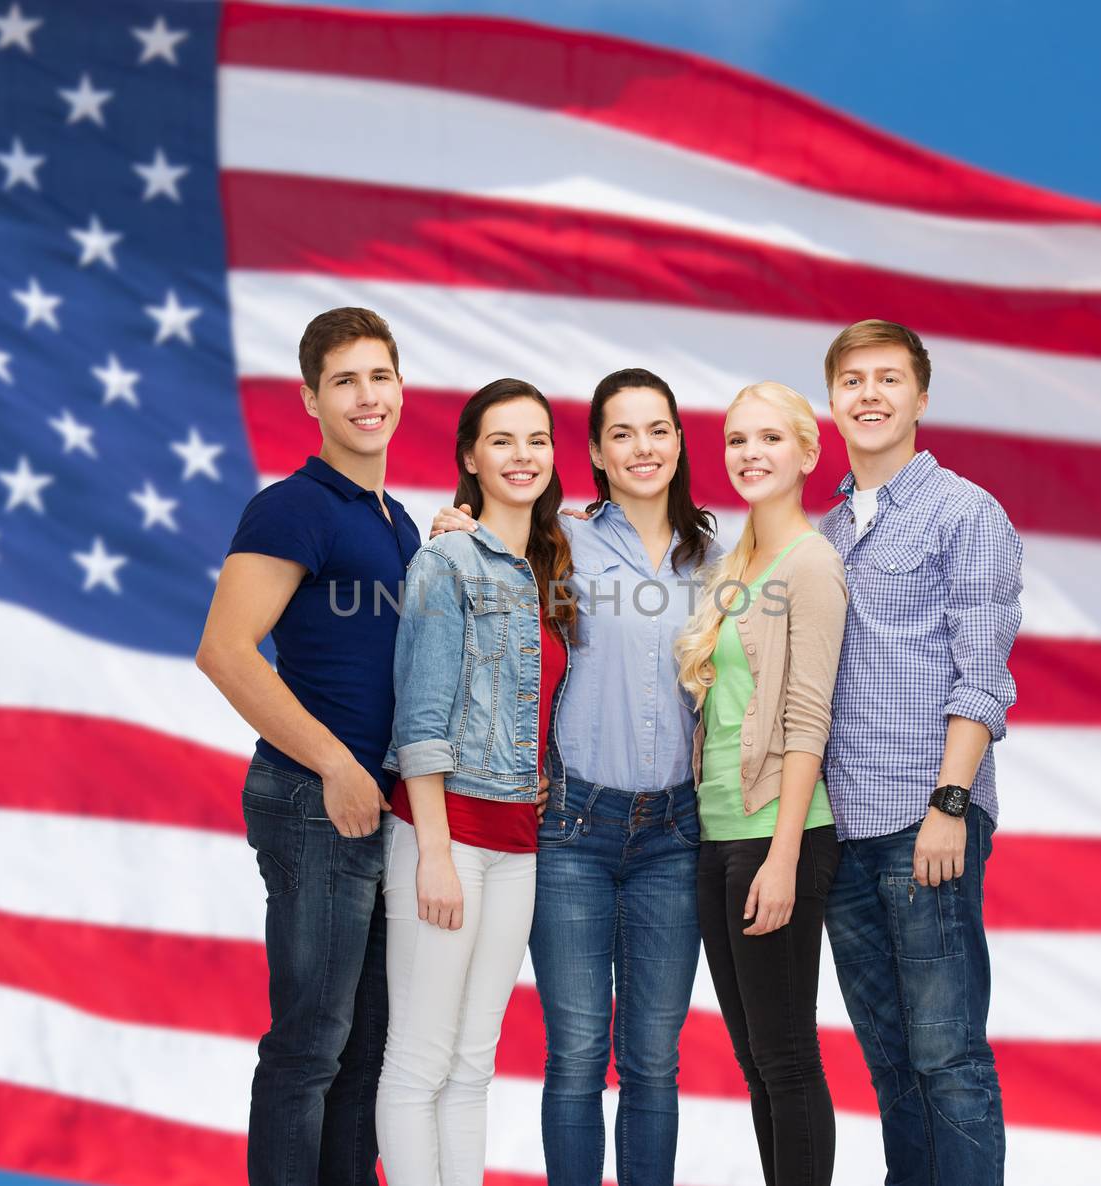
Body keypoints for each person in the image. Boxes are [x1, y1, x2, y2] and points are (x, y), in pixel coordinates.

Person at [434, 367, 719, 1186]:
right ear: (593, 450)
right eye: (621, 432)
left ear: (676, 441)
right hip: (572, 832)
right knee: (578, 1055)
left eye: (657, 429)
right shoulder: (554, 539)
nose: (642, 448)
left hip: (676, 832)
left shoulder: (718, 560)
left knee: (654, 1061)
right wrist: (449, 523)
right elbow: (474, 551)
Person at [195, 308, 418, 1186]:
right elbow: (224, 650)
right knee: (309, 1049)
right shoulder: (293, 507)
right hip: (313, 799)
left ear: (400, 387)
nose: (367, 397)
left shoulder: (397, 520)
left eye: (379, 377)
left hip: (375, 807)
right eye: (345, 381)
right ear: (312, 400)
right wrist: (334, 764)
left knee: (366, 1050)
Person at [817, 319, 1022, 1186]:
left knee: (949, 1060)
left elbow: (983, 676)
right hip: (842, 829)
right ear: (832, 401)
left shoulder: (966, 513)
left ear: (921, 398)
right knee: (892, 1065)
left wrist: (949, 806)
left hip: (925, 819)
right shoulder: (820, 534)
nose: (870, 395)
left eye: (888, 379)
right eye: (853, 381)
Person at [375, 378, 575, 1186]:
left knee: (471, 1062)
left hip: (518, 845)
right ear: (470, 458)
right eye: (502, 440)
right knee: (419, 1058)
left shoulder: (547, 571)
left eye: (536, 439)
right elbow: (420, 719)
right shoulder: (445, 561)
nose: (522, 456)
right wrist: (432, 852)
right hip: (446, 835)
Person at [676, 381, 848, 1186]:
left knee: (785, 1057)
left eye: (771, 439)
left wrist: (782, 858)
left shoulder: (812, 565)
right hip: (716, 838)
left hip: (778, 836)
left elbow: (809, 719)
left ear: (808, 454)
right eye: (738, 441)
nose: (751, 454)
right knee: (754, 1058)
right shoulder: (733, 563)